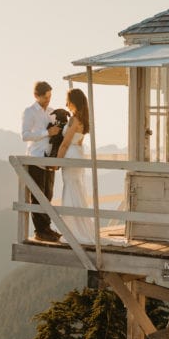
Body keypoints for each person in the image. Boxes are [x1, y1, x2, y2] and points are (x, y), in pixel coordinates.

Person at [21, 81, 62, 242]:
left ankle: (47, 228)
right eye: (45, 97)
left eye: (50, 96)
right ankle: (40, 231)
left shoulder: (52, 112)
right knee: (38, 196)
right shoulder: (29, 112)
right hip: (36, 157)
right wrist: (47, 132)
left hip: (49, 157)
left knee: (48, 194)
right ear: (36, 96)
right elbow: (24, 135)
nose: (48, 100)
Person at [56, 88, 97, 245]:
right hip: (78, 153)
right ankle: (77, 227)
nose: (67, 104)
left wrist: (57, 163)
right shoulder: (83, 119)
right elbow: (78, 141)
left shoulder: (74, 120)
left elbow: (65, 143)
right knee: (76, 188)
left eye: (68, 100)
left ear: (74, 101)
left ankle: (73, 230)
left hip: (70, 155)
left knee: (71, 188)